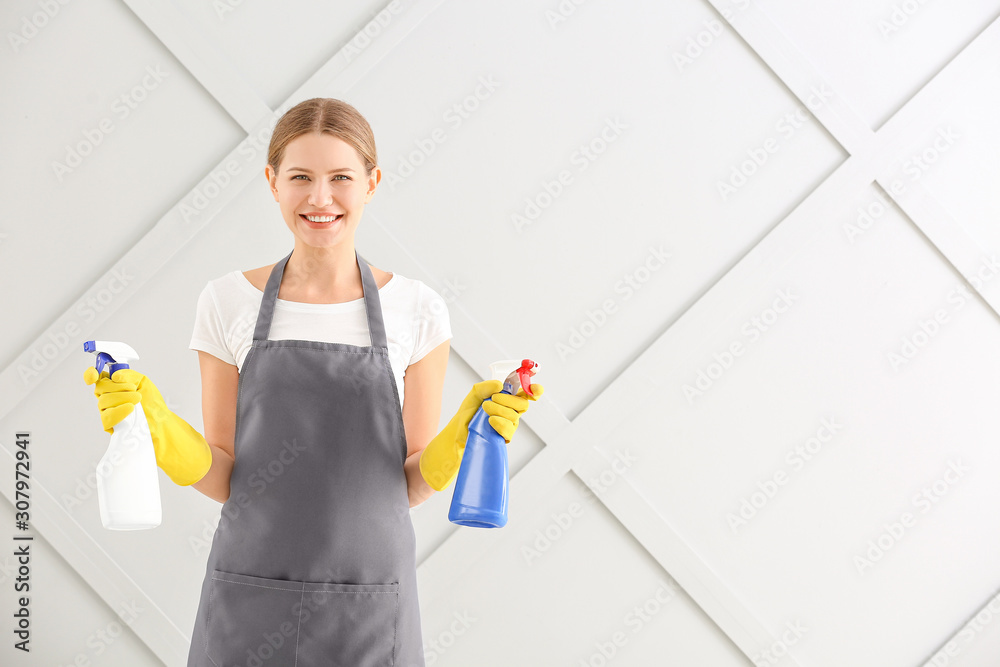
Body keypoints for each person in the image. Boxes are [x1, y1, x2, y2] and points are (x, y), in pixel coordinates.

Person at [83, 97, 543, 667]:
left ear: (372, 183)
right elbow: (224, 471)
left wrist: (469, 432)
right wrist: (154, 423)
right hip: (250, 592)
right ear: (272, 182)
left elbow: (413, 481)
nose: (320, 198)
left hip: (370, 601)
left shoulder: (417, 309)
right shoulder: (226, 301)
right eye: (300, 177)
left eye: (341, 178)